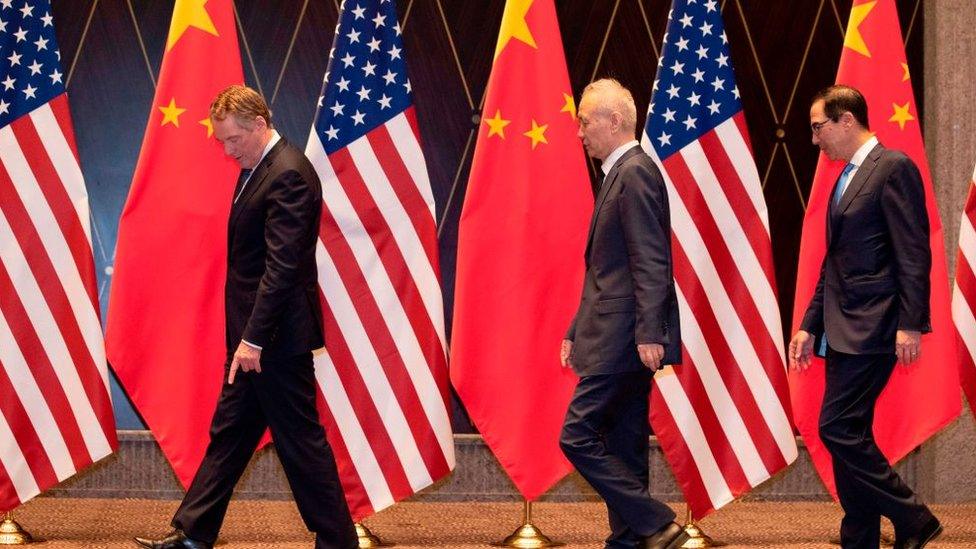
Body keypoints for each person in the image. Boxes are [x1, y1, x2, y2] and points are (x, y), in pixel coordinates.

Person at [135, 85, 356, 549]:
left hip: (274, 340)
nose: (227, 149)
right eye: (221, 141)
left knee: (300, 443)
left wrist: (253, 340)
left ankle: (338, 541)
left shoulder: (289, 173)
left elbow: (282, 268)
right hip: (253, 339)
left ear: (260, 124)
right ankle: (195, 533)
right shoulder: (258, 167)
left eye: (233, 139)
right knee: (230, 434)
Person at [789, 84, 942, 549]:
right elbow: (834, 262)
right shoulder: (846, 177)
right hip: (839, 327)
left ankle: (914, 517)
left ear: (846, 120)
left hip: (875, 326)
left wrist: (911, 322)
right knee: (846, 432)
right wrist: (808, 324)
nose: (814, 139)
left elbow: (914, 251)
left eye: (818, 127)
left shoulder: (892, 167)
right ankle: (860, 536)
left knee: (836, 427)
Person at [559, 78, 686, 549]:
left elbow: (651, 258)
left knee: (577, 436)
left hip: (624, 337)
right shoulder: (619, 173)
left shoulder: (634, 172)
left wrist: (651, 331)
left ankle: (655, 522)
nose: (580, 132)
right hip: (614, 332)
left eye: (585, 121)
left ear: (614, 121)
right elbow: (605, 268)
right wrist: (576, 327)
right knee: (623, 444)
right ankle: (630, 541)